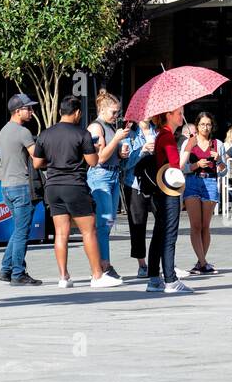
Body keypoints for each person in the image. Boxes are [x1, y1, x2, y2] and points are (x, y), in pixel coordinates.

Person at [30, 96, 124, 289]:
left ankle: (63, 277)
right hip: (74, 185)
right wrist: (92, 150)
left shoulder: (45, 134)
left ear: (60, 112)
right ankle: (97, 275)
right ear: (78, 113)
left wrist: (55, 163)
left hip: (53, 186)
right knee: (89, 230)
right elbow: (93, 162)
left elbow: (37, 163)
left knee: (61, 233)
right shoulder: (82, 134)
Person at [144, 105, 194, 293]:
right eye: (179, 113)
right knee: (169, 234)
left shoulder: (163, 135)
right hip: (168, 191)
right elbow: (175, 167)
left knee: (159, 233)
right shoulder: (166, 137)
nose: (182, 116)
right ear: (169, 114)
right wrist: (188, 148)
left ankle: (154, 279)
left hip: (162, 190)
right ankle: (170, 280)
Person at [0, 94, 42, 286]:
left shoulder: (3, 131)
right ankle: (18, 273)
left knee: (18, 230)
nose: (31, 112)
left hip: (6, 187)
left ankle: (6, 269)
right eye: (28, 109)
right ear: (17, 111)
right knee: (22, 232)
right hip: (21, 187)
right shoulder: (23, 132)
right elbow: (37, 159)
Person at [86, 90, 132, 280]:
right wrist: (116, 139)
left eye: (118, 112)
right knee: (103, 223)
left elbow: (112, 154)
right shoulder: (96, 128)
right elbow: (100, 158)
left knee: (109, 222)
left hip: (113, 175)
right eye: (113, 112)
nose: (116, 116)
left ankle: (104, 264)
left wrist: (122, 152)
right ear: (102, 110)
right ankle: (103, 266)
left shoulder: (110, 126)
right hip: (100, 176)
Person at [181, 111, 223, 275]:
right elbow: (181, 167)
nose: (205, 127)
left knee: (205, 226)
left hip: (210, 182)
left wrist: (219, 159)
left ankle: (200, 263)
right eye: (202, 124)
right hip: (192, 182)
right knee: (195, 225)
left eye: (208, 124)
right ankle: (204, 262)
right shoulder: (189, 143)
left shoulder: (217, 144)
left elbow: (224, 171)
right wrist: (196, 164)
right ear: (197, 126)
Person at [120, 119, 155, 278]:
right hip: (135, 184)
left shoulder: (159, 131)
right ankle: (142, 264)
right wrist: (143, 150)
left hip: (158, 183)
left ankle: (167, 262)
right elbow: (125, 164)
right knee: (138, 225)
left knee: (165, 222)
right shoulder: (130, 134)